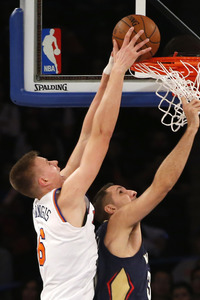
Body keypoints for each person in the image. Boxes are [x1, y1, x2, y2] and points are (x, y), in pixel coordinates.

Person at [9, 27, 152, 300]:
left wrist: (108, 74)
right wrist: (121, 72)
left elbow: (86, 136)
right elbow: (101, 136)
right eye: (48, 164)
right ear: (44, 181)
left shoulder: (47, 201)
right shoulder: (65, 198)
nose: (55, 161)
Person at [93, 97, 200, 299]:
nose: (133, 192)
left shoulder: (113, 233)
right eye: (122, 192)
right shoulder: (116, 223)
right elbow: (161, 187)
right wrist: (191, 128)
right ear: (110, 209)